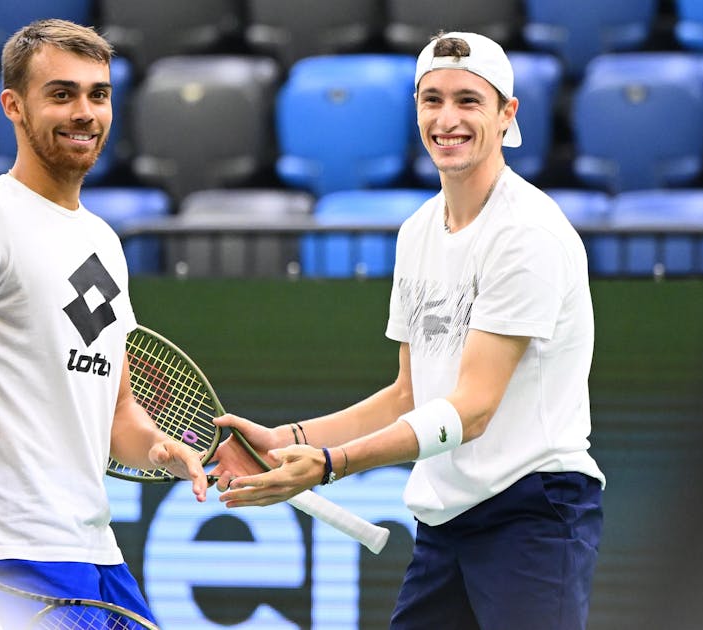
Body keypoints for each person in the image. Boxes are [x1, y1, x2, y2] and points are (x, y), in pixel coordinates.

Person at [211, 31, 605, 630]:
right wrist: (283, 438)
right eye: (432, 100)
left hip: (534, 512)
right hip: (446, 522)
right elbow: (408, 394)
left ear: (507, 115)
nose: (447, 119)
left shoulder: (530, 234)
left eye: (469, 101)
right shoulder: (416, 231)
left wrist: (329, 462)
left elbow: (471, 410)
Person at [0, 19, 208, 627]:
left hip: (98, 554)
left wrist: (166, 451)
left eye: (98, 94)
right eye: (61, 94)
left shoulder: (105, 242)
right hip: (17, 558)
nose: (84, 112)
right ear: (13, 106)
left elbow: (117, 415)